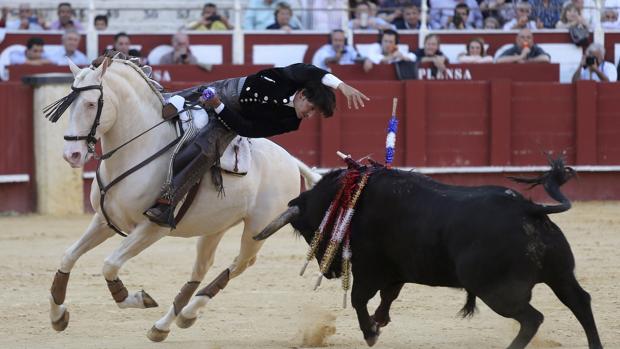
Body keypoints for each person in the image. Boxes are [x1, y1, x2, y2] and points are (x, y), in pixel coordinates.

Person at [144, 63, 370, 227]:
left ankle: (168, 200)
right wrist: (341, 86)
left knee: (206, 150)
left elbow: (247, 129)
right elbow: (312, 71)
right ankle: (146, 80)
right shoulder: (289, 77)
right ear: (302, 94)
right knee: (163, 103)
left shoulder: (291, 122)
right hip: (229, 89)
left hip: (230, 117)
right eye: (312, 108)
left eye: (315, 114)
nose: (310, 115)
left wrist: (218, 107)